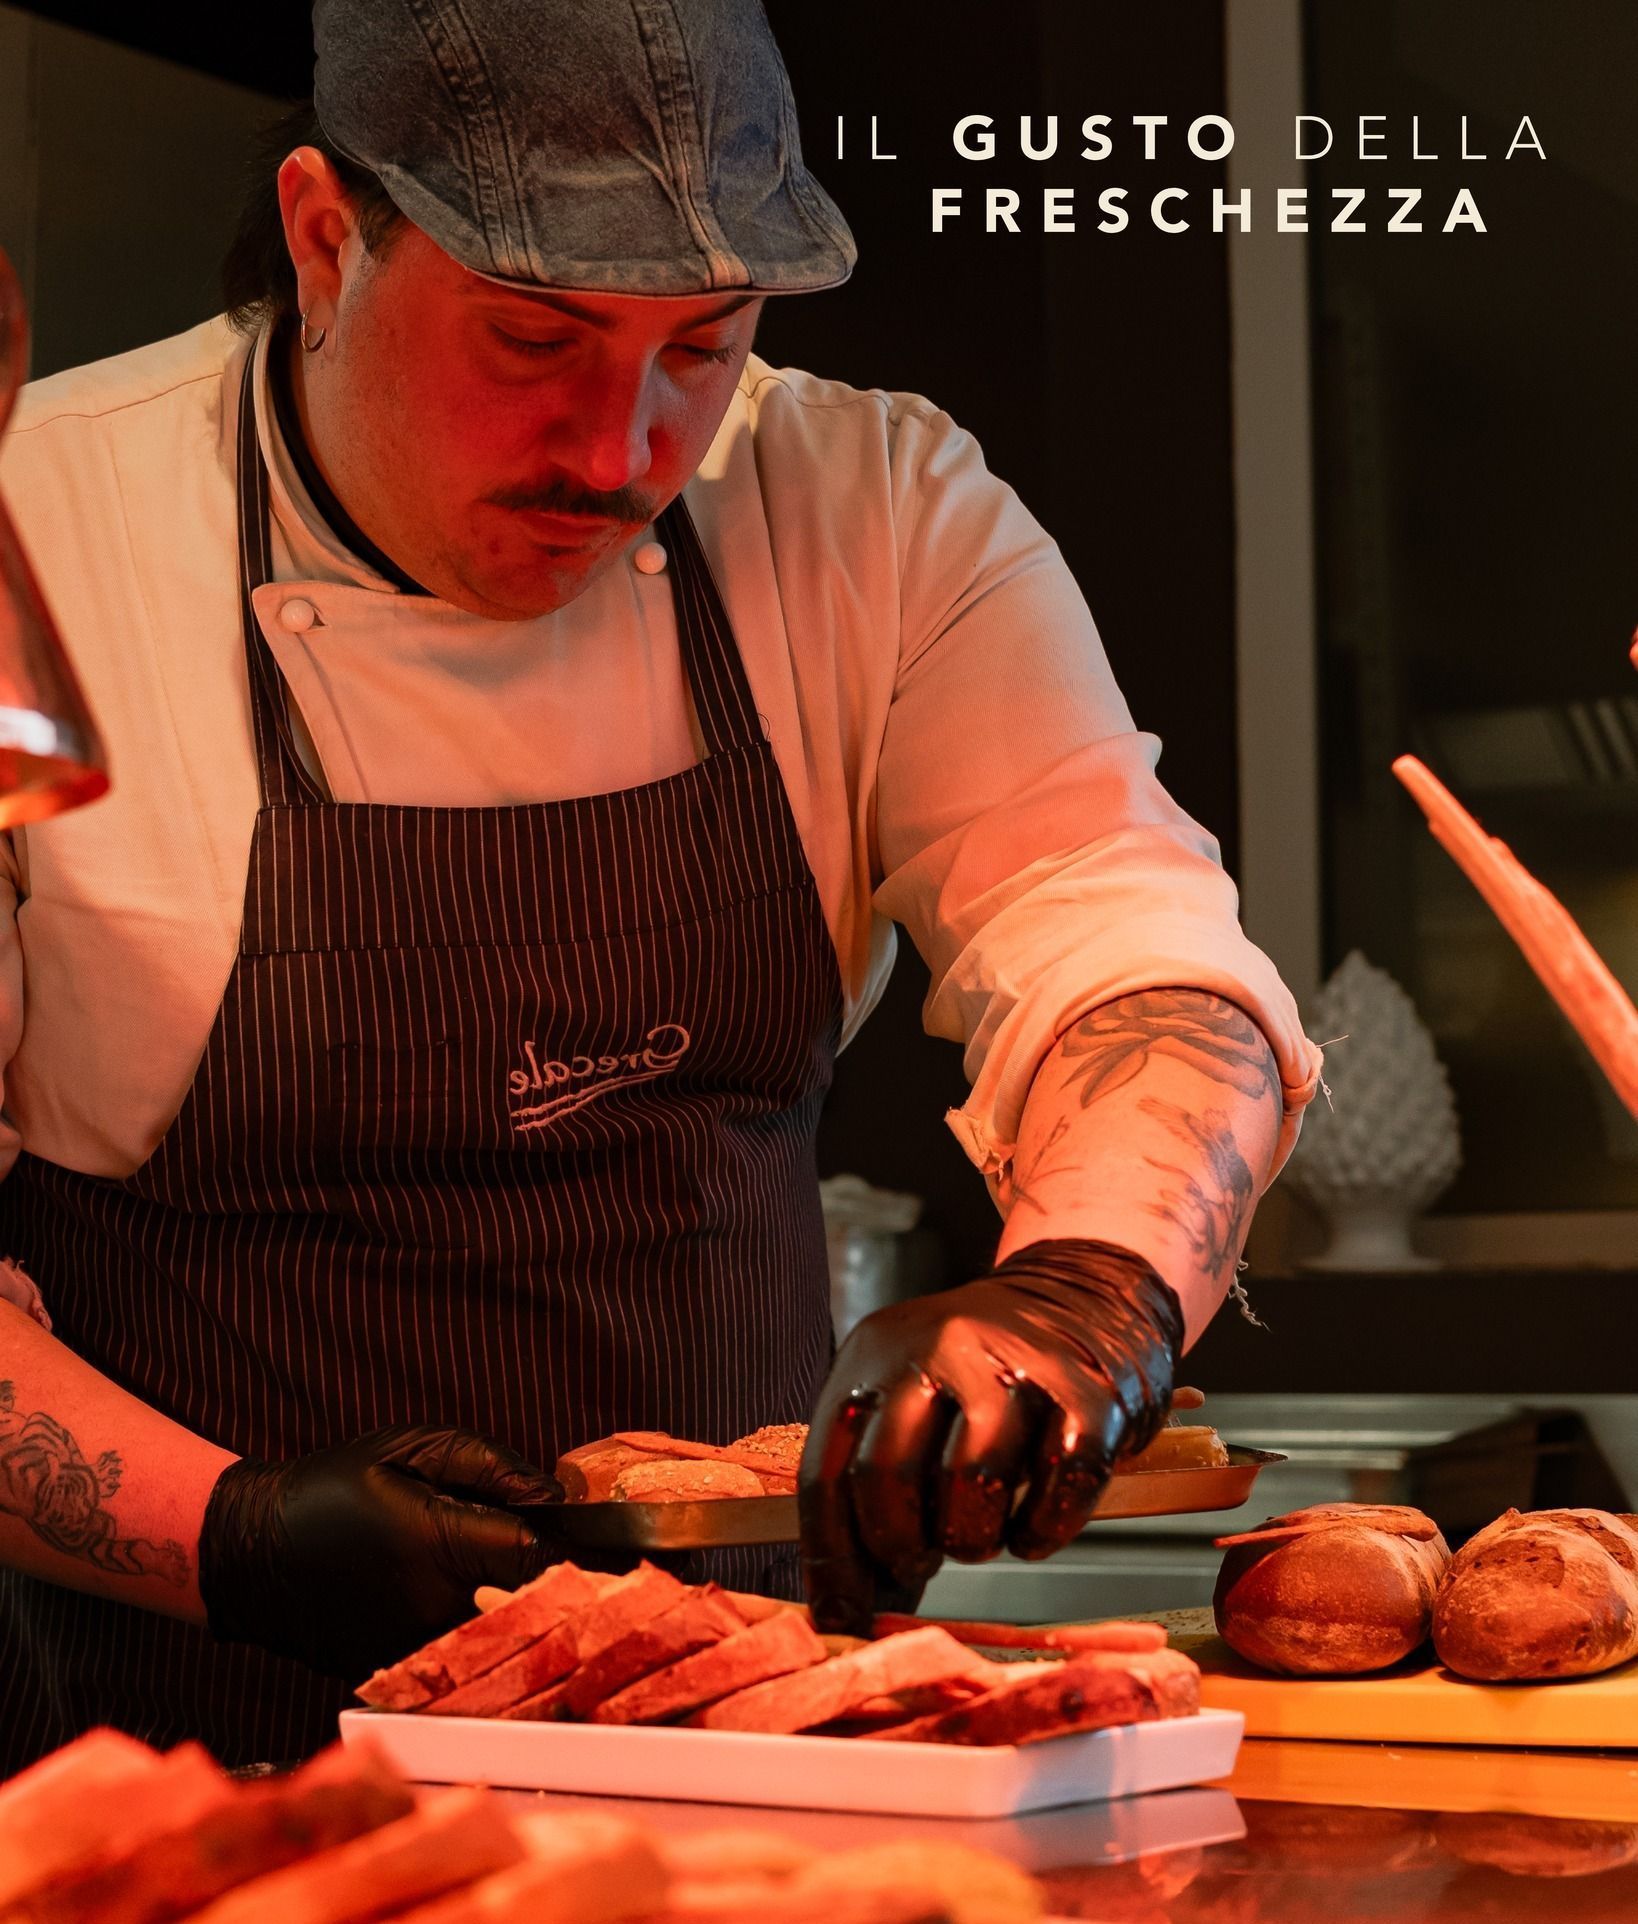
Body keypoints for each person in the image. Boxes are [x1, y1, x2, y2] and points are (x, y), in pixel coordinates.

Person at [0, 0, 1320, 1770]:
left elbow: (1124, 940)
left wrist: (1088, 1289)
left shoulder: (871, 508)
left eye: (700, 347)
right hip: (172, 1760)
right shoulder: (37, 536)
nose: (620, 449)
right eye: (530, 338)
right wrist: (234, 1536)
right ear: (324, 238)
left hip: (761, 1746)